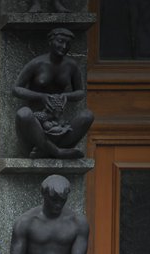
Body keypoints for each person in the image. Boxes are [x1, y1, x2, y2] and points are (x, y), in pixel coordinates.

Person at [13, 28, 93, 159]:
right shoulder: (37, 63)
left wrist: (66, 96)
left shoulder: (71, 66)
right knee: (23, 113)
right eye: (60, 41)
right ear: (51, 41)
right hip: (36, 124)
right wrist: (41, 96)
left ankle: (46, 150)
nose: (64, 46)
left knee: (87, 115)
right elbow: (16, 89)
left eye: (68, 44)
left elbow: (80, 92)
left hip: (58, 122)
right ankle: (56, 152)